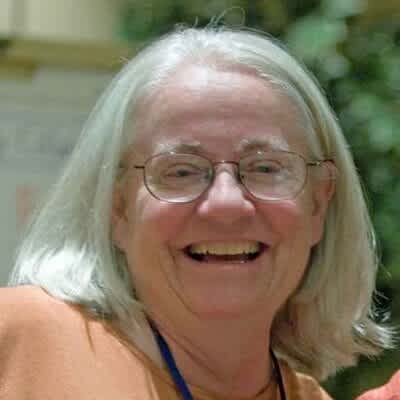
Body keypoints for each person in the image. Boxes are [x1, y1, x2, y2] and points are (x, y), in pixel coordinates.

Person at [0, 26, 394, 400]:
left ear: (319, 203)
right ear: (117, 209)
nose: (226, 204)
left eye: (265, 168)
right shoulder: (22, 342)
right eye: (181, 171)